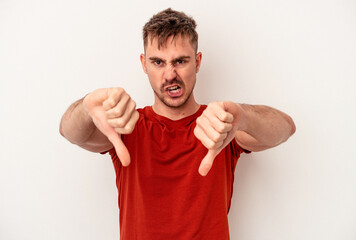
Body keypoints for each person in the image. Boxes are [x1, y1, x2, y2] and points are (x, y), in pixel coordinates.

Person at [60, 8, 296, 240]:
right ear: (144, 64)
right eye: (158, 62)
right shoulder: (127, 125)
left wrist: (243, 116)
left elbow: (285, 128)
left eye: (180, 61)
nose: (170, 74)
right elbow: (69, 131)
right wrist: (86, 107)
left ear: (198, 61)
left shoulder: (219, 126)